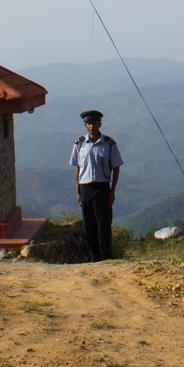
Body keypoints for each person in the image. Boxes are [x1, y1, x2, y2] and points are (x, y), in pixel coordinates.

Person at [69, 109, 123, 261]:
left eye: (94, 123)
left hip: (102, 188)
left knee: (103, 223)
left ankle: (106, 255)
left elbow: (116, 167)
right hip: (85, 187)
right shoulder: (79, 143)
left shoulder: (108, 144)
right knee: (89, 224)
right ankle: (94, 256)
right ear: (85, 125)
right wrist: (78, 190)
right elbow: (78, 168)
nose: (92, 126)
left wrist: (112, 191)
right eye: (89, 123)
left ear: (100, 124)